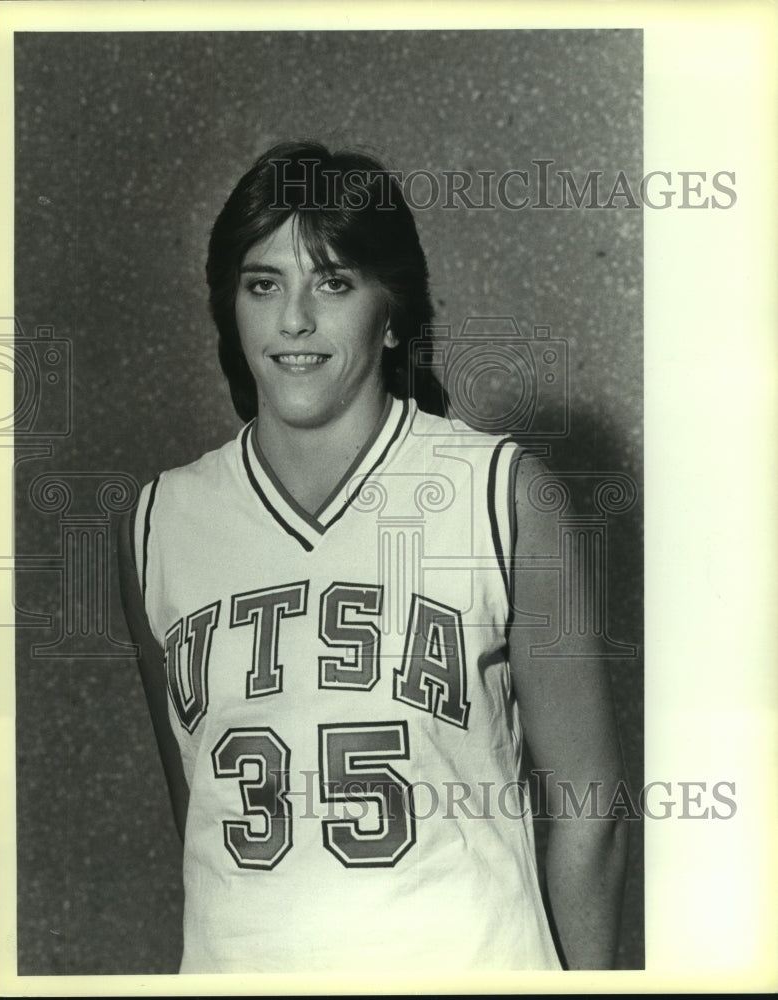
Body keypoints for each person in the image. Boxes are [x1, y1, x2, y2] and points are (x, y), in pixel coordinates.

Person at [118, 140, 628, 973]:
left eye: (333, 282)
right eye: (262, 283)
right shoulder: (156, 520)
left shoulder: (498, 493)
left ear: (391, 315)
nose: (293, 320)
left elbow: (589, 812)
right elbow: (201, 807)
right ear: (230, 307)